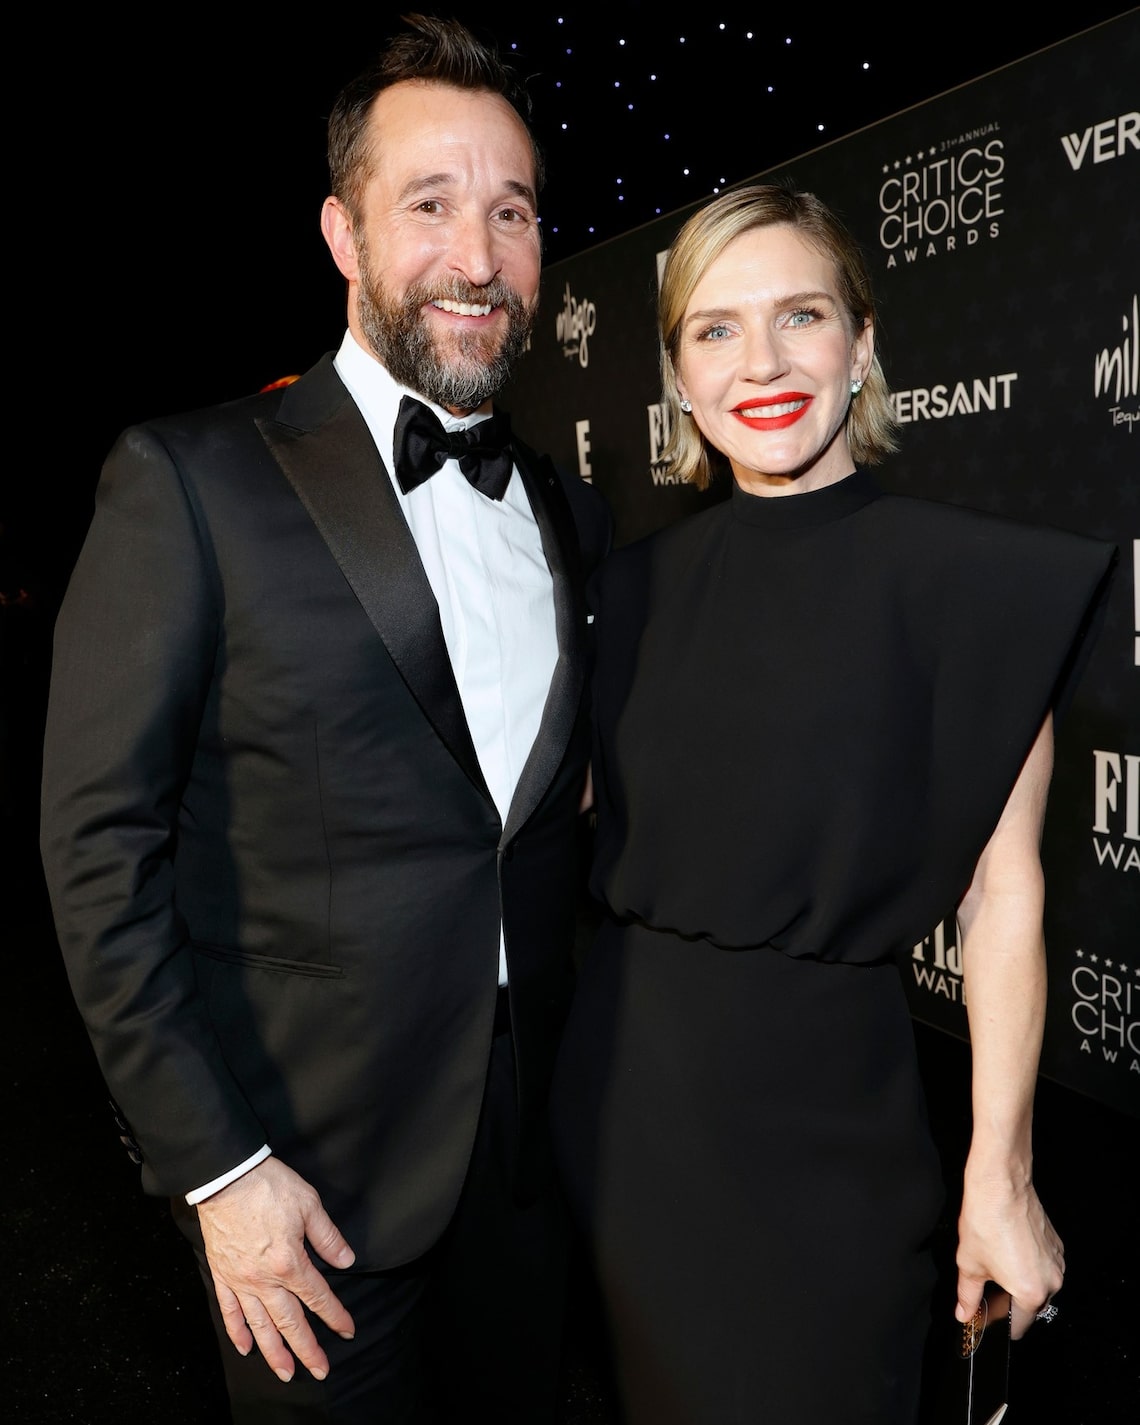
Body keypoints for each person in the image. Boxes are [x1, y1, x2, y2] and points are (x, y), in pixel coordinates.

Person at [39, 14, 610, 1424]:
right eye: (429, 205)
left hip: (527, 1171)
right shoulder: (190, 481)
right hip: (305, 1194)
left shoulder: (566, 510)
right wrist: (218, 1171)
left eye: (512, 211)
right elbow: (100, 852)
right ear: (342, 233)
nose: (478, 257)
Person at [550, 182, 1116, 1425]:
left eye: (800, 316)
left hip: (832, 1137)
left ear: (862, 345)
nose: (761, 362)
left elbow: (1005, 898)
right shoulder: (625, 593)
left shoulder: (973, 586)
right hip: (628, 1119)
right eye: (715, 329)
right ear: (678, 377)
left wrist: (1002, 1174)